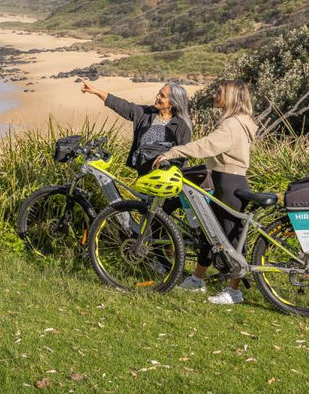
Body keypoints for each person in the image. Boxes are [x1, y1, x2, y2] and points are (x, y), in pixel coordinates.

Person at [153, 80, 257, 305]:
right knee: (210, 234)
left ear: (230, 97)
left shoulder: (232, 124)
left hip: (229, 183)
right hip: (226, 181)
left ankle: (234, 292)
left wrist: (174, 152)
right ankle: (197, 279)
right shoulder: (237, 122)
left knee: (231, 240)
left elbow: (207, 146)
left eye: (220, 92)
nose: (215, 94)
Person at [80, 80, 192, 176]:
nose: (157, 97)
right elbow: (123, 105)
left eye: (162, 96)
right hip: (142, 176)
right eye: (158, 93)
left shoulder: (181, 126)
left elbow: (182, 155)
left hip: (164, 180)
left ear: (172, 103)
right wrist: (96, 91)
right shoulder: (146, 113)